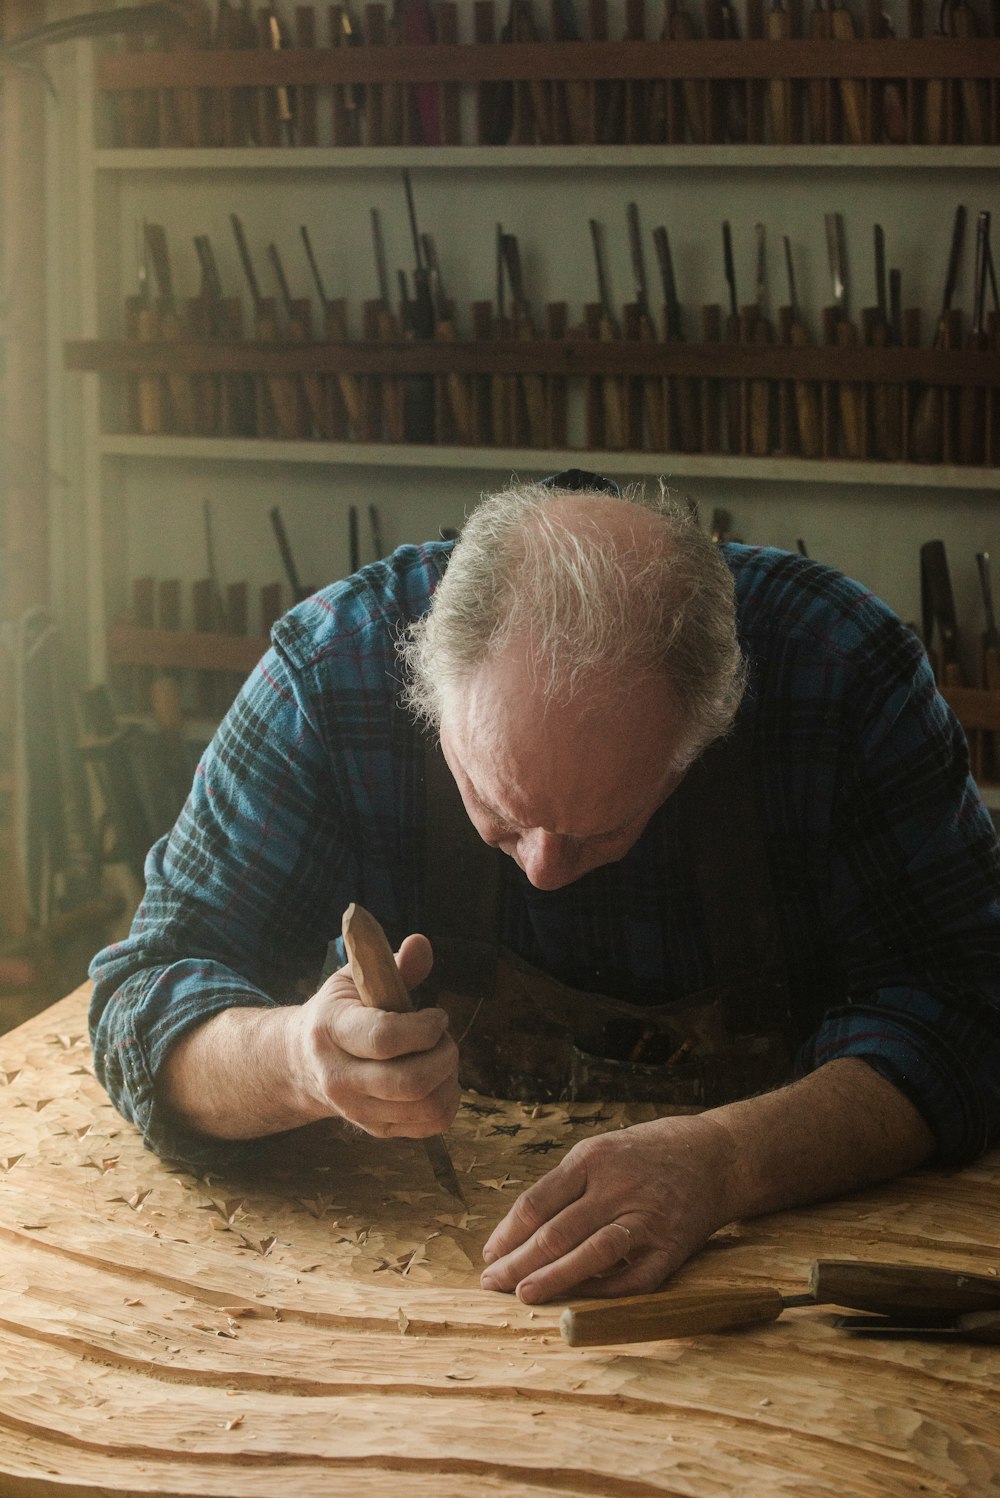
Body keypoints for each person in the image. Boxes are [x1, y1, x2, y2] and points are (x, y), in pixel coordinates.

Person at [89, 474, 1000, 1306]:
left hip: (766, 1256)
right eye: (500, 807)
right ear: (427, 692)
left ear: (706, 733)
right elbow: (146, 997)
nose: (542, 870)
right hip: (419, 1281)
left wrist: (729, 1160)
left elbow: (970, 1013)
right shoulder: (331, 674)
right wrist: (296, 1057)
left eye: (603, 828)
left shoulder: (840, 670)